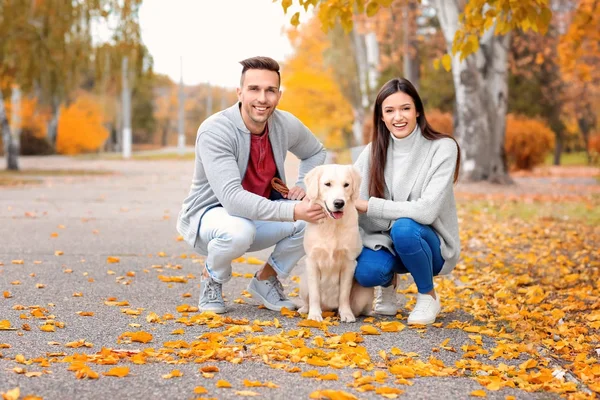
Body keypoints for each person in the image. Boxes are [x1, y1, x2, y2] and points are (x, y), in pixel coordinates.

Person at [176, 56, 326, 314]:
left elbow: (316, 152)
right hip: (213, 218)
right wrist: (292, 210)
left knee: (316, 218)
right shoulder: (216, 130)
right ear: (240, 92)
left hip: (261, 213)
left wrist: (303, 185)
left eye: (270, 90)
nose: (262, 98)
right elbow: (233, 200)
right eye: (254, 89)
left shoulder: (285, 123)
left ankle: (266, 280)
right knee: (240, 230)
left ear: (279, 95)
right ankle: (212, 278)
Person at [353, 77, 461, 325]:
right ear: (381, 117)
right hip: (386, 240)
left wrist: (371, 206)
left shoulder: (442, 148)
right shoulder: (373, 151)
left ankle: (427, 295)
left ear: (418, 111)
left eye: (405, 108)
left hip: (428, 242)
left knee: (404, 227)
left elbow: (425, 211)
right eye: (389, 111)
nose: (398, 117)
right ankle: (388, 283)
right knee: (368, 273)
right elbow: (348, 190)